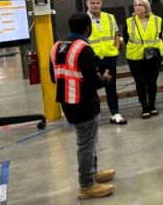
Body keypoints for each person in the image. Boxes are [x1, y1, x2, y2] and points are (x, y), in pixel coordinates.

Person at [49, 12, 116, 200]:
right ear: (88, 28)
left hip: (67, 101)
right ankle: (87, 185)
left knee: (89, 140)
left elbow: (53, 78)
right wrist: (105, 79)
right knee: (86, 144)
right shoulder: (83, 49)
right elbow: (93, 81)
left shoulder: (56, 47)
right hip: (84, 102)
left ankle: (92, 173)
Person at [85, 0, 126, 125]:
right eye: (92, 3)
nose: (95, 5)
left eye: (98, 3)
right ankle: (91, 115)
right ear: (87, 3)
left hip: (109, 56)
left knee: (111, 86)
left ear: (101, 3)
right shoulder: (83, 19)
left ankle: (115, 113)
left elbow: (116, 35)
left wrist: (115, 50)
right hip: (92, 59)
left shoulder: (109, 17)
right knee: (90, 87)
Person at [123, 0, 163, 118]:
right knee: (140, 82)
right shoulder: (129, 21)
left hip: (153, 56)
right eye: (135, 5)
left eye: (140, 5)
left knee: (152, 81)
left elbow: (160, 36)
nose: (137, 7)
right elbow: (126, 39)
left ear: (146, 7)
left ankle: (152, 105)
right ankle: (144, 107)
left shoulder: (158, 20)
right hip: (135, 56)